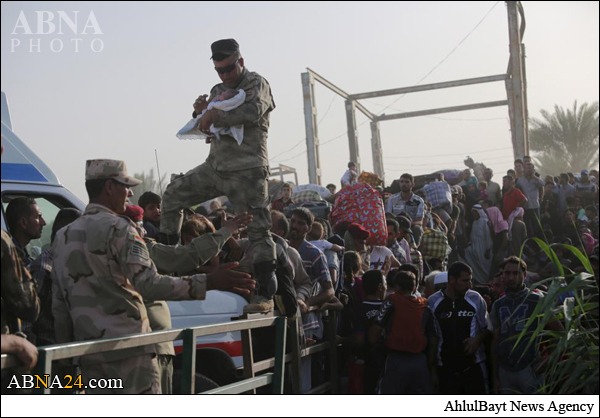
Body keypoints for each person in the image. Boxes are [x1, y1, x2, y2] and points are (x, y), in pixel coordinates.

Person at [51, 159, 255, 394]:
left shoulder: (62, 237)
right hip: (131, 355)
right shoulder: (120, 229)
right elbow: (148, 284)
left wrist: (66, 358)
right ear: (109, 187)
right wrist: (208, 282)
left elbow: (60, 304)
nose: (129, 194)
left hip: (89, 357)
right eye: (125, 186)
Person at [160, 38, 277, 314]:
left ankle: (264, 294)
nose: (225, 75)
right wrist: (200, 112)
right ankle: (170, 271)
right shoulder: (218, 90)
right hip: (215, 168)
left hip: (247, 171)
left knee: (259, 230)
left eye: (229, 69)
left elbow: (252, 111)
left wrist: (213, 115)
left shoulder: (256, 83)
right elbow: (207, 124)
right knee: (172, 196)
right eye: (219, 71)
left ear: (241, 62)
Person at [490, 256, 563, 394]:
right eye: (507, 273)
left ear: (524, 275)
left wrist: (548, 360)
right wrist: (495, 376)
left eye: (516, 273)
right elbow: (495, 342)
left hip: (530, 369)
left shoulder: (537, 300)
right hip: (505, 371)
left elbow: (560, 332)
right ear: (502, 275)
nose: (511, 277)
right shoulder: (498, 305)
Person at [428, 261, 491, 394]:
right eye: (465, 281)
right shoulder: (433, 301)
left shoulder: (475, 298)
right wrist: (432, 370)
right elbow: (431, 337)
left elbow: (488, 328)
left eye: (470, 280)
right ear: (452, 280)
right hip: (444, 369)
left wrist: (477, 340)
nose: (469, 285)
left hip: (473, 368)